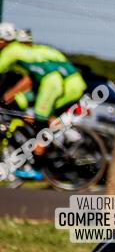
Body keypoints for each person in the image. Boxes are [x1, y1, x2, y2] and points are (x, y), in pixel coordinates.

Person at [0, 24, 87, 177]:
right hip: (73, 83)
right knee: (46, 119)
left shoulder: (12, 50)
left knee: (40, 121)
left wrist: (9, 95)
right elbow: (31, 77)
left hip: (53, 85)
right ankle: (66, 137)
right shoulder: (41, 50)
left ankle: (37, 166)